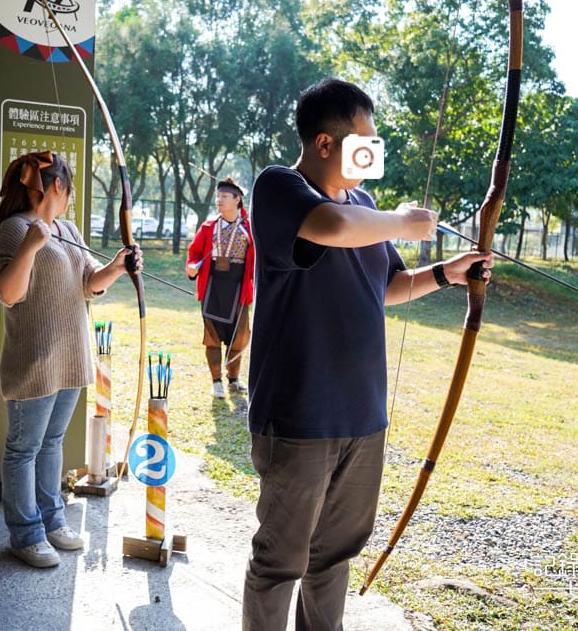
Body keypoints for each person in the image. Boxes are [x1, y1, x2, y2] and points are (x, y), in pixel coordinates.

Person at [242, 78, 493, 630]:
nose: (373, 153)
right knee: (281, 560)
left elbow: (387, 285)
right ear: (325, 144)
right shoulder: (280, 188)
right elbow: (330, 227)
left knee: (332, 557)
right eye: (365, 142)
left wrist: (447, 275)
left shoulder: (364, 206)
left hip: (362, 416)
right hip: (299, 416)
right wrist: (406, 222)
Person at [0, 151, 142, 569]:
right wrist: (32, 247)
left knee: (51, 444)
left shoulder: (67, 229)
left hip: (70, 358)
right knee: (23, 449)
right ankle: (25, 533)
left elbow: (89, 283)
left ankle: (52, 520)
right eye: (69, 188)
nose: (70, 196)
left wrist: (118, 267)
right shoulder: (14, 230)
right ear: (57, 186)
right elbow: (9, 293)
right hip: (33, 363)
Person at [185, 178, 255, 398]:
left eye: (224, 197)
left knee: (240, 336)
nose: (219, 201)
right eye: (218, 196)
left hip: (239, 289)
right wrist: (192, 267)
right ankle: (216, 382)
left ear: (237, 200)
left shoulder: (249, 229)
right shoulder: (208, 227)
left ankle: (233, 379)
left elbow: (258, 261)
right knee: (212, 337)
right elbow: (194, 254)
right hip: (212, 287)